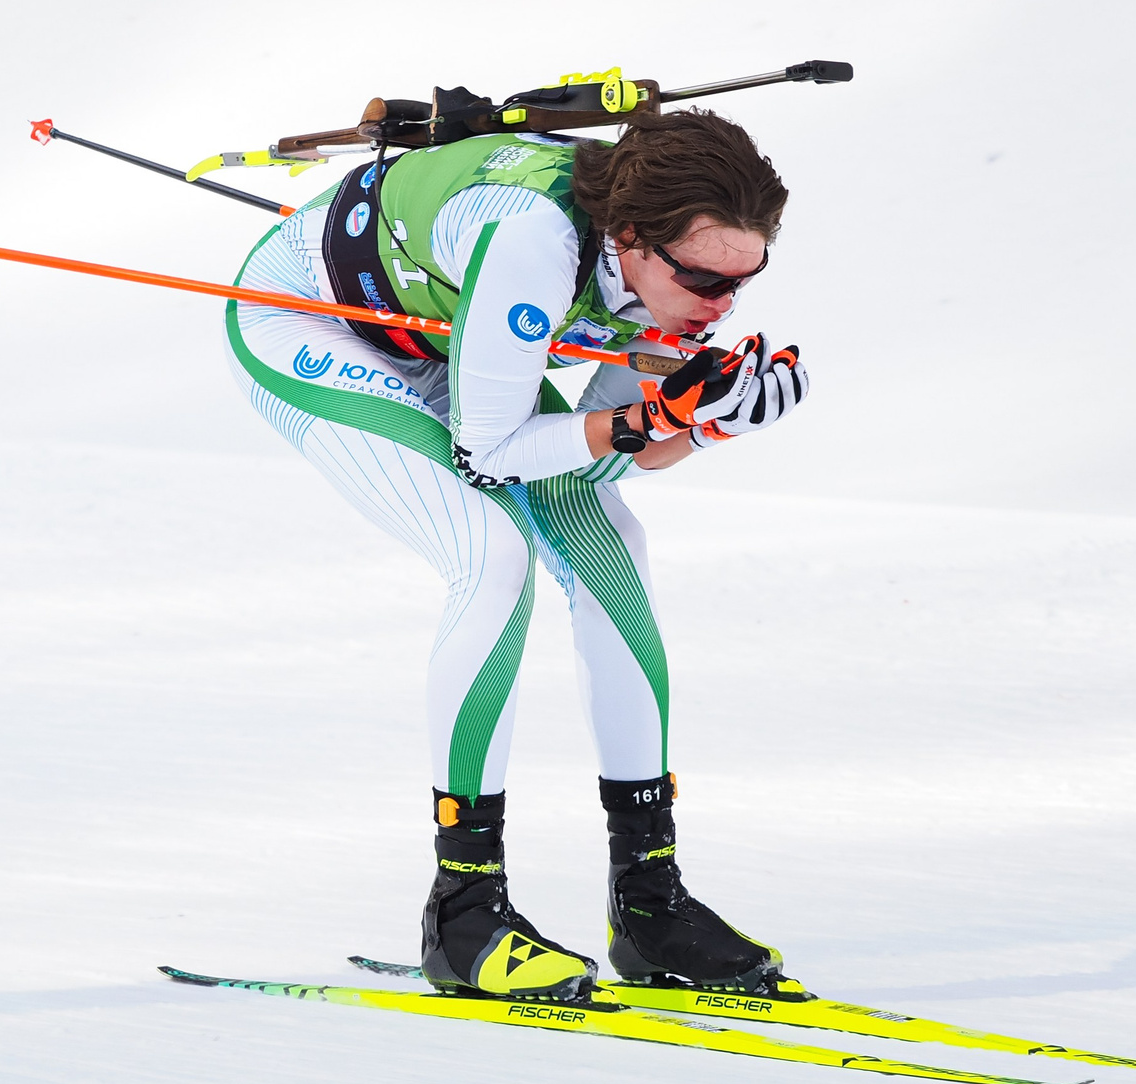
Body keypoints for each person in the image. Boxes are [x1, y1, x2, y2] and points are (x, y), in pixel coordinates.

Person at [220, 95, 808, 1001]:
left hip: (456, 332)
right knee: (490, 554)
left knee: (609, 547)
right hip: (314, 323)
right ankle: (462, 912)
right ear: (632, 238)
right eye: (703, 281)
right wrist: (651, 417)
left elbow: (604, 455)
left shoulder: (675, 268)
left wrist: (703, 425)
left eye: (744, 282)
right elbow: (491, 452)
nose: (720, 305)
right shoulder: (535, 238)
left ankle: (649, 900)